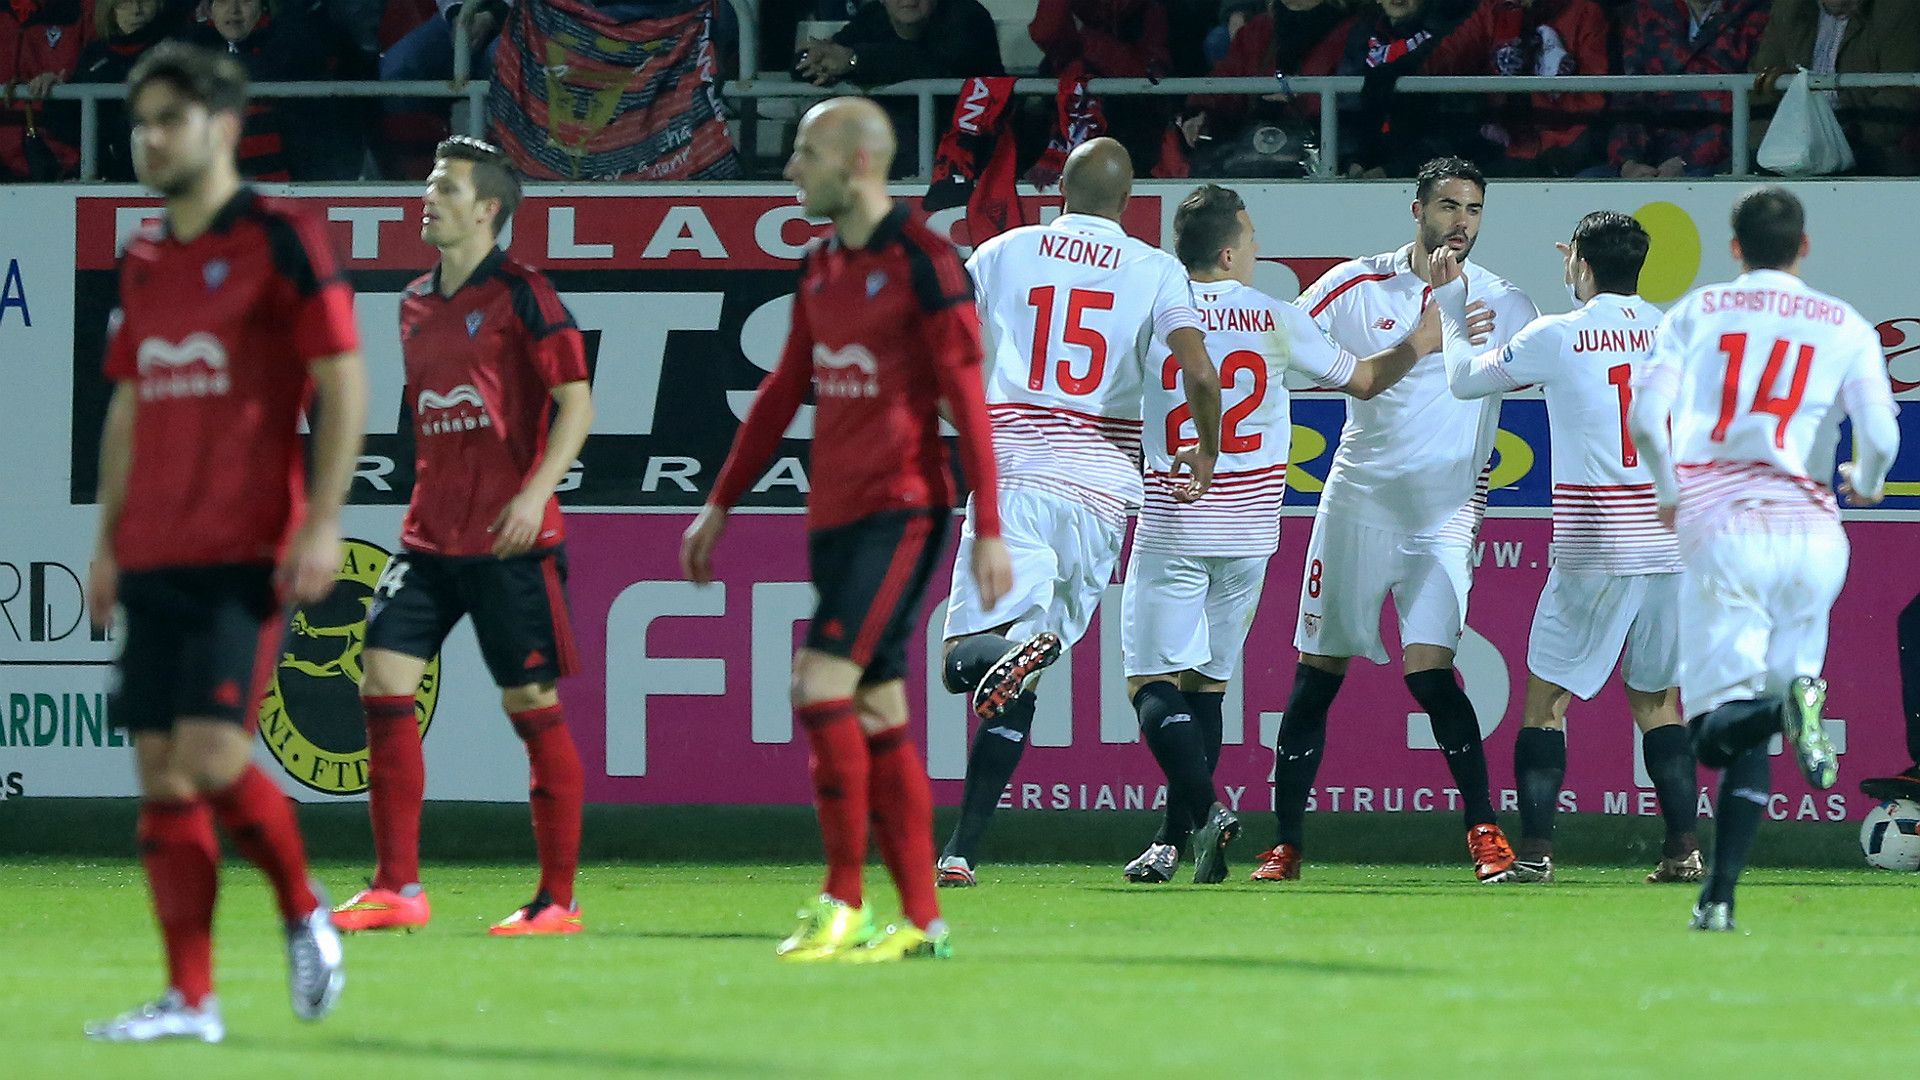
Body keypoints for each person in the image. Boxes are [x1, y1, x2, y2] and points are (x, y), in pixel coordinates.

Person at [82, 42, 364, 1043]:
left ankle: (302, 906)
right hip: (152, 547)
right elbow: (126, 402)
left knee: (209, 755)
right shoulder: (147, 256)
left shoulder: (284, 236)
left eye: (169, 118)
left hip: (243, 546)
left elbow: (342, 380)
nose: (150, 137)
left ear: (223, 126)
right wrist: (108, 539)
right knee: (160, 775)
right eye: (141, 121)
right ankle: (190, 1001)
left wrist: (323, 517)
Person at [681, 97, 1006, 962]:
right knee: (874, 704)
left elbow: (966, 397)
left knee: (818, 684)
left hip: (904, 509)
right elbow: (785, 390)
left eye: (805, 152)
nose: (791, 168)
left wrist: (991, 527)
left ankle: (844, 901)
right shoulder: (823, 263)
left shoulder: (926, 262)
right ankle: (923, 923)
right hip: (835, 515)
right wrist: (719, 503)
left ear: (857, 162)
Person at [1120, 184, 1434, 885]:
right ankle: (1178, 840)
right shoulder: (1275, 319)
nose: (1259, 249)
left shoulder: (1154, 314)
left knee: (1150, 681)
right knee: (1206, 686)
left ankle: (1203, 813)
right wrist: (1420, 341)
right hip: (1251, 530)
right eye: (1254, 237)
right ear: (1229, 251)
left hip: (1176, 517)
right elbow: (1364, 379)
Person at [935, 136, 1222, 888]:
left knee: (968, 655)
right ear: (1129, 203)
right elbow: (1198, 370)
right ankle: (962, 849)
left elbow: (946, 349)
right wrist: (1206, 451)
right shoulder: (1156, 269)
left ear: (1056, 186)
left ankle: (963, 845)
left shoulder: (1002, 251)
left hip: (1016, 472)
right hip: (1102, 487)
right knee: (1017, 672)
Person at [329, 137, 593, 938]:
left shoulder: (527, 294)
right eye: (428, 183)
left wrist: (533, 495)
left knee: (531, 704)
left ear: (488, 209)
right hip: (429, 538)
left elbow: (576, 404)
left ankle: (556, 901)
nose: (428, 197)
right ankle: (396, 887)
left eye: (445, 187)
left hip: (512, 541)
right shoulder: (413, 300)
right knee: (380, 680)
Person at [1254, 156, 1536, 886]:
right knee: (1318, 674)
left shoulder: (1504, 301)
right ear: (1416, 210)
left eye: (1474, 209)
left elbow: (1550, 376)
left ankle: (1483, 832)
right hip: (1359, 503)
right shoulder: (1357, 285)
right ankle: (1285, 842)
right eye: (1448, 206)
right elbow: (1272, 348)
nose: (1461, 223)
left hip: (1443, 514)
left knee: (1433, 676)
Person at [1626, 186, 1899, 931]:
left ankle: (1784, 706)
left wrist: (1667, 490)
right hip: (1814, 534)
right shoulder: (1844, 323)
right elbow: (1880, 437)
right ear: (1804, 247)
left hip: (1726, 529)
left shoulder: (1697, 312)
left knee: (1718, 727)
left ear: (1734, 247)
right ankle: (1718, 898)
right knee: (1763, 714)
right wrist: (1866, 484)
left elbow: (1648, 418)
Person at [1433, 211, 1700, 884]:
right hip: (1671, 542)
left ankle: (1538, 854)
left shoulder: (1557, 334)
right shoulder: (1678, 334)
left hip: (1597, 540)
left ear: (1581, 263)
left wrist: (1449, 309)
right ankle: (1683, 851)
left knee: (1547, 701)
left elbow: (1465, 379)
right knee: (1658, 700)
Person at [1600, 0, 1770, 178]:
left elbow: (1756, 101)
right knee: (1592, 179)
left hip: (1724, 158)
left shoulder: (1757, 9)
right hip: (1650, 157)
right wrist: (1628, 162)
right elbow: (1631, 95)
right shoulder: (1648, 10)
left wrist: (1685, 162)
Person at [1750, 0, 1920, 177]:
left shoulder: (1900, 8)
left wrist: (1837, 139)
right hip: (1791, 146)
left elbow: (1902, 94)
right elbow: (1759, 89)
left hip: (1866, 147)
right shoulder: (1789, 7)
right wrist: (1765, 145)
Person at [73, 0, 181, 182]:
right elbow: (65, 119)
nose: (136, 10)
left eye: (144, 2)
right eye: (125, 2)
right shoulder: (93, 57)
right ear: (110, 9)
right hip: (106, 175)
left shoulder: (178, 53)